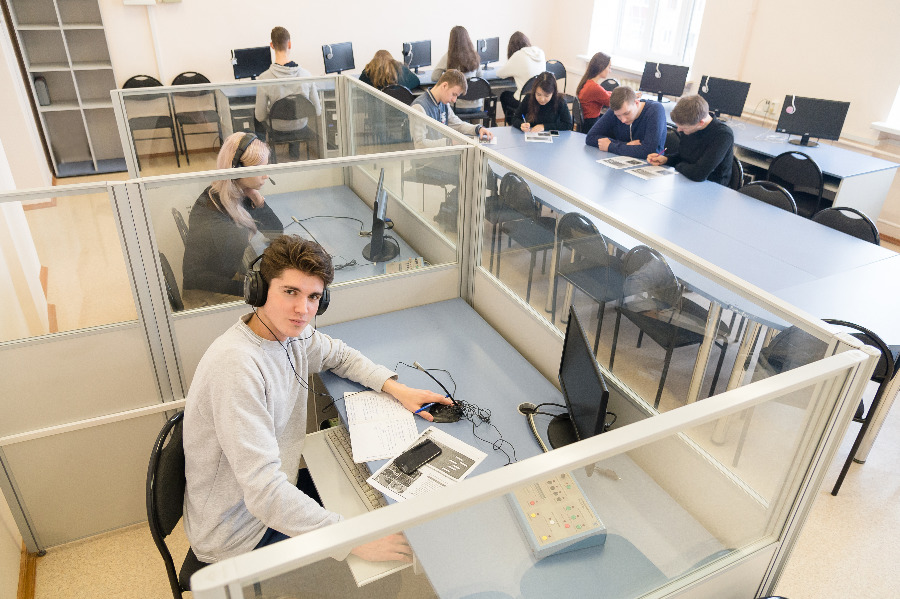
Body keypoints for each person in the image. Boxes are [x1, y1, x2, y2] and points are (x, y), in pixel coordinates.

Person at [183, 234, 452, 567]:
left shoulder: (291, 334)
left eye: (313, 297)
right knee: (388, 558)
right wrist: (351, 539)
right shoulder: (237, 368)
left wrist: (396, 389)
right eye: (290, 292)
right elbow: (264, 493)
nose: (303, 310)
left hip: (271, 493)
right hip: (241, 534)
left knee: (381, 501)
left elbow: (339, 355)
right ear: (259, 290)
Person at [182, 132, 281, 307]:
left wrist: (258, 201)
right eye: (260, 170)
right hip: (204, 293)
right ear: (237, 170)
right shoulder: (213, 213)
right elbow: (201, 278)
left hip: (223, 276)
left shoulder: (232, 193)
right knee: (273, 302)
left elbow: (276, 231)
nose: (266, 175)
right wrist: (257, 290)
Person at [410, 70, 493, 230]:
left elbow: (457, 124)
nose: (454, 100)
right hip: (426, 162)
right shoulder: (420, 107)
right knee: (470, 171)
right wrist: (449, 142)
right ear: (444, 85)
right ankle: (454, 216)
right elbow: (419, 145)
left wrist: (477, 128)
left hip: (442, 157)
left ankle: (456, 214)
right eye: (454, 94)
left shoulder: (443, 103)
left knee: (475, 168)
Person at [254, 26, 322, 159]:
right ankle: (294, 154)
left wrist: (271, 111)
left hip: (278, 127)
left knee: (256, 112)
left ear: (272, 46)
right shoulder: (306, 75)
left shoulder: (264, 78)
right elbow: (318, 111)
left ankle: (261, 156)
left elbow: (260, 116)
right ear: (289, 44)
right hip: (300, 125)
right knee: (294, 110)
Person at [647, 95, 734, 185]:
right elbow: (683, 156)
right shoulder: (690, 124)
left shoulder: (723, 135)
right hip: (687, 178)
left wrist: (678, 165)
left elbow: (699, 174)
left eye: (684, 128)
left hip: (711, 186)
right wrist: (666, 159)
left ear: (701, 123)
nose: (678, 130)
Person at [585, 86, 666, 159]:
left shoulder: (655, 110)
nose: (623, 120)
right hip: (624, 160)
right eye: (618, 116)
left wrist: (610, 146)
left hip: (651, 165)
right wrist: (626, 145)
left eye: (627, 113)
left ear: (636, 103)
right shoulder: (617, 109)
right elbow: (590, 137)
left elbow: (648, 151)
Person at [431, 26, 484, 113]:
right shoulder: (474, 56)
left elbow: (434, 77)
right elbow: (480, 77)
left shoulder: (449, 56)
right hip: (476, 105)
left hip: (457, 105)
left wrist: (448, 78)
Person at [496, 31, 545, 122]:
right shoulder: (540, 52)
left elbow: (500, 74)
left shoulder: (518, 55)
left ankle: (512, 123)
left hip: (524, 101)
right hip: (539, 99)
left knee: (504, 95)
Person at [576, 52, 613, 131]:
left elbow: (605, 93)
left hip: (587, 123)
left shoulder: (588, 82)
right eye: (609, 67)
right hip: (590, 125)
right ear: (601, 67)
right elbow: (612, 102)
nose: (610, 71)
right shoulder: (594, 88)